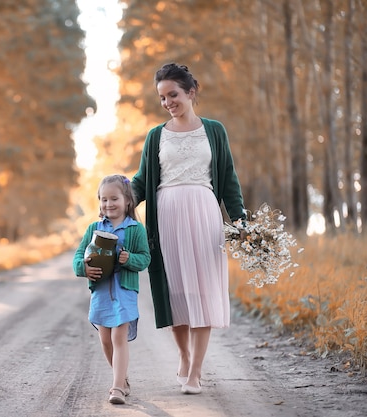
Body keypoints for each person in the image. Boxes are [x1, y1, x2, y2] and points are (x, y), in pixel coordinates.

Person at [130, 63, 246, 395]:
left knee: (202, 292)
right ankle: (183, 356)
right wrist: (120, 198)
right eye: (162, 97)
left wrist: (240, 221)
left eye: (173, 95)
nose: (168, 102)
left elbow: (228, 180)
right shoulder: (156, 136)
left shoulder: (214, 130)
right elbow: (140, 181)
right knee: (175, 292)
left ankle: (195, 372)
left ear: (191, 92)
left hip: (204, 215)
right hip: (166, 217)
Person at [73, 174, 151, 405]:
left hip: (124, 289)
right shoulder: (94, 229)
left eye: (114, 198)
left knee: (118, 336)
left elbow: (145, 258)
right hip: (101, 290)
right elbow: (79, 255)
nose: (109, 204)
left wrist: (129, 259)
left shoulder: (135, 229)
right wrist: (83, 268)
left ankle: (117, 387)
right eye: (104, 200)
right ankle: (123, 378)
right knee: (105, 339)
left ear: (127, 200)